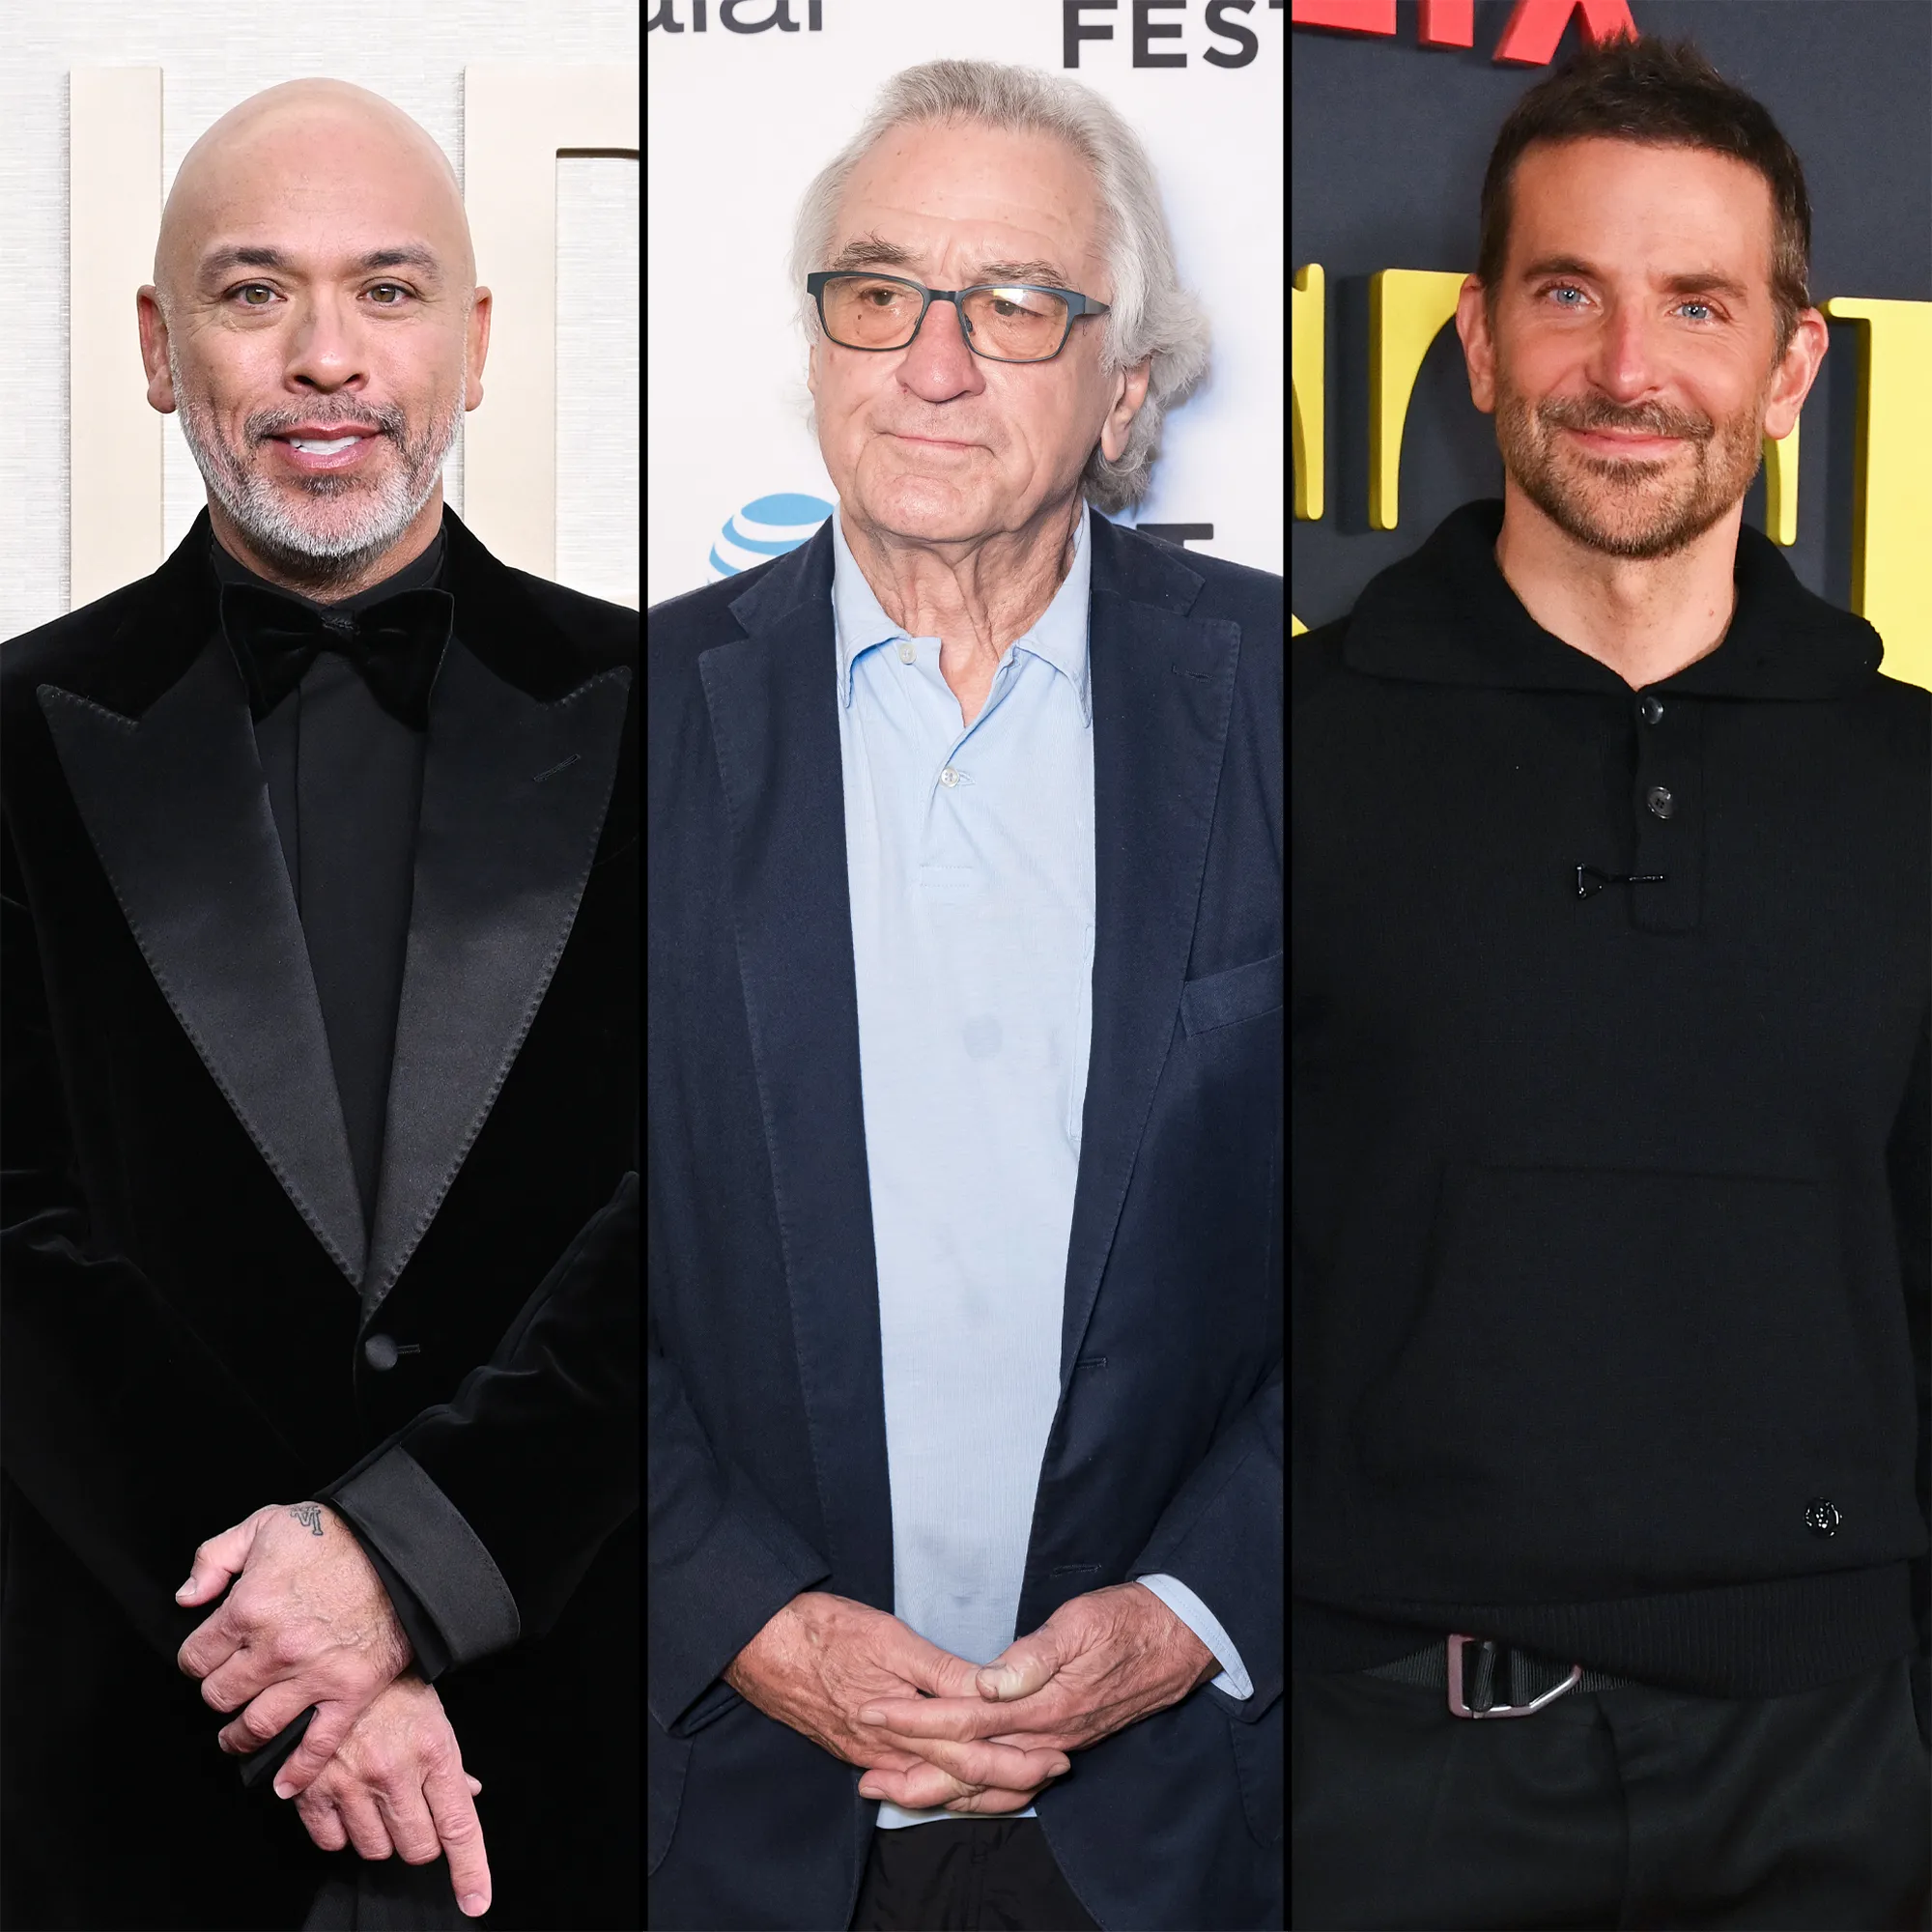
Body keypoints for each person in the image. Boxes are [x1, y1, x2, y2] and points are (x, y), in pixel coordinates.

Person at [1292, 34, 1930, 1930]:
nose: (1628, 370)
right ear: (1480, 342)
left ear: (1793, 365)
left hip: (1840, 1772)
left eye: (1697, 305)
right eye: (1570, 294)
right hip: (1385, 1766)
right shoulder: (1276, 748)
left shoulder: (1911, 781)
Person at [646, 57, 1282, 1932]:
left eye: (1011, 304)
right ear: (817, 343)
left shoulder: (1299, 712)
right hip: (735, 1815)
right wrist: (735, 1605)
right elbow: (523, 1267)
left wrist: (1192, 1607)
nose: (931, 363)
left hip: (1176, 1824)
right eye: (877, 292)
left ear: (1125, 389)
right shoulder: (613, 729)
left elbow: (1418, 1248)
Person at [0, 79, 638, 1929]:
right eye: (256, 291)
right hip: (131, 1775)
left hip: (581, 1761)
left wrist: (419, 1563)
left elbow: (728, 1205)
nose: (327, 358)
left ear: (477, 340)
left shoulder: (700, 725)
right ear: (158, 346)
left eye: (388, 289)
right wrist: (300, 1637)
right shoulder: (7, 744)